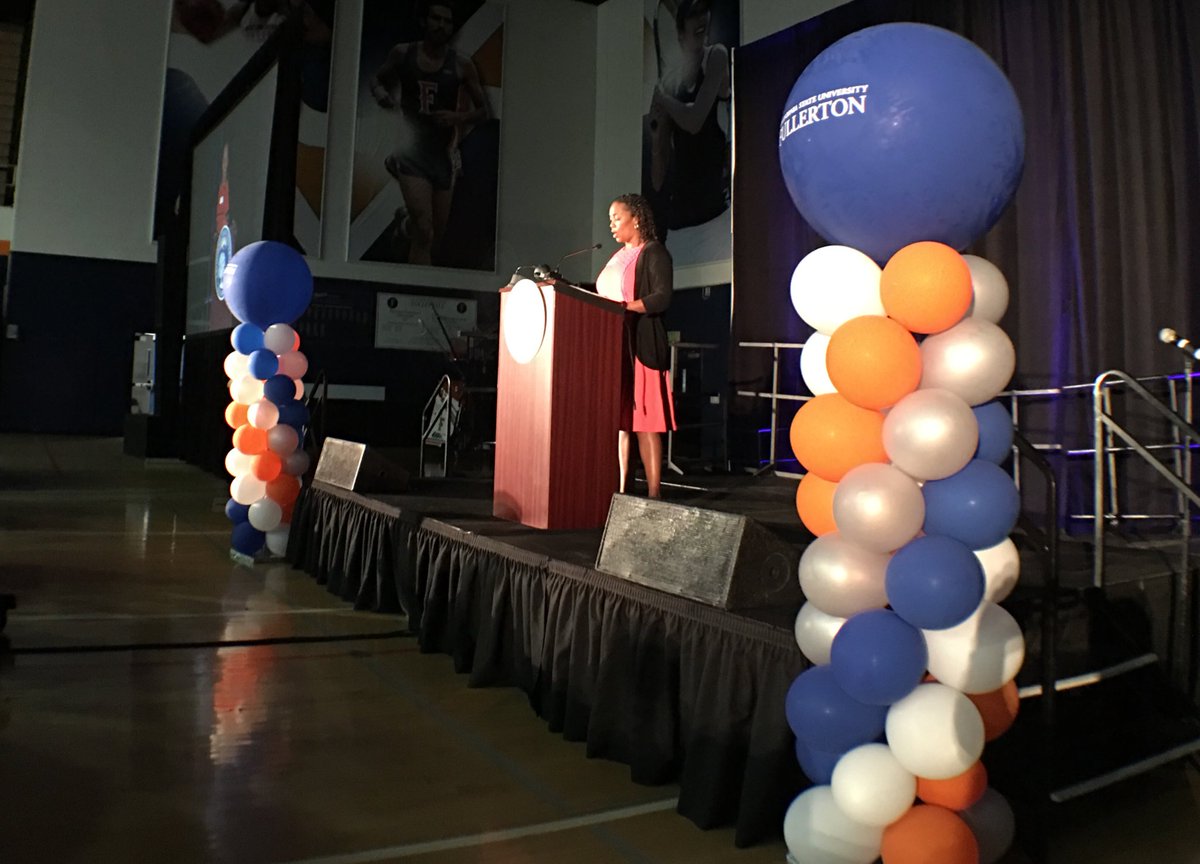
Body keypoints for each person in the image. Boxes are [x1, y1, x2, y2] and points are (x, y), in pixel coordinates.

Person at [369, 1, 489, 265]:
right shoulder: (403, 53)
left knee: (435, 236)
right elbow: (377, 79)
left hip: (442, 154)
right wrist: (382, 97)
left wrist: (457, 117)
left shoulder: (461, 65)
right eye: (436, 19)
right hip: (412, 152)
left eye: (447, 22)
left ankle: (405, 225)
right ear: (425, 21)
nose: (441, 26)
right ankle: (415, 292)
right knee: (425, 231)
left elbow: (483, 111)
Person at [595, 193, 677, 499]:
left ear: (637, 219)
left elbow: (661, 297)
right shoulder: (617, 256)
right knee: (623, 422)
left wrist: (626, 308)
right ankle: (622, 489)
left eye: (617, 218)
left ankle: (655, 495)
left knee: (646, 422)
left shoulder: (654, 252)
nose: (612, 225)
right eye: (610, 220)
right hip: (617, 347)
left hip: (642, 346)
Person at [648, 0, 731, 230]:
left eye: (704, 11)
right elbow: (657, 176)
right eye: (693, 14)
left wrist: (664, 99)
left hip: (717, 211)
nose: (701, 18)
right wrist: (656, 141)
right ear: (680, 32)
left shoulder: (716, 55)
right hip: (681, 216)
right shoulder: (670, 82)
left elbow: (695, 120)